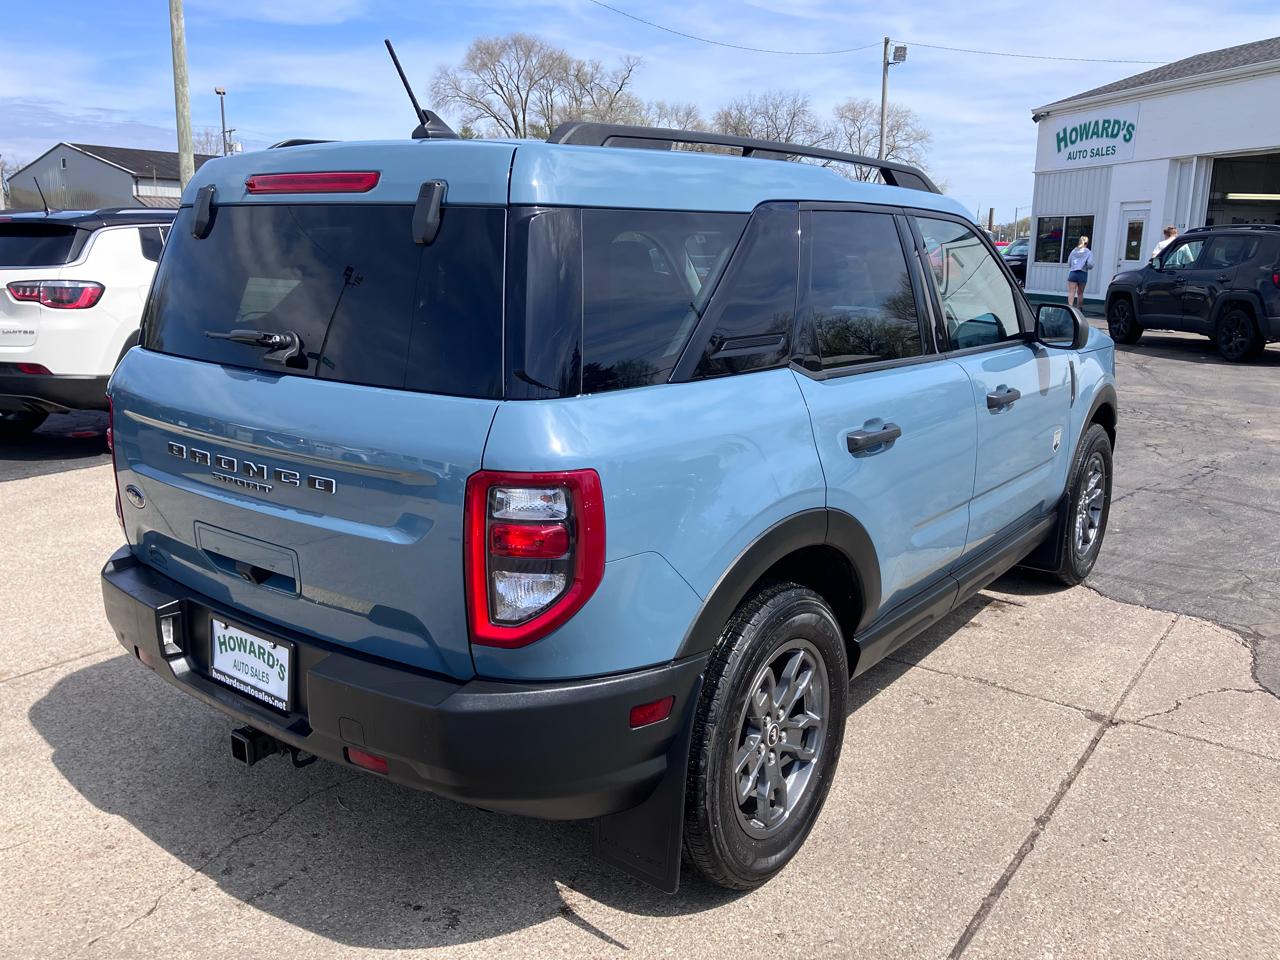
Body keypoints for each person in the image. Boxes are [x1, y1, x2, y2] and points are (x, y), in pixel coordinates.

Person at [1066, 235, 1093, 309]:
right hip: (1082, 273)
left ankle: (1070, 308)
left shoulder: (1074, 251)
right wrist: (1087, 267)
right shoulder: (1088, 252)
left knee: (1071, 292)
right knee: (1080, 293)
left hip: (1073, 273)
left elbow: (1069, 262)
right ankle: (1079, 309)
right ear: (1087, 243)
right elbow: (1090, 264)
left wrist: (1073, 266)